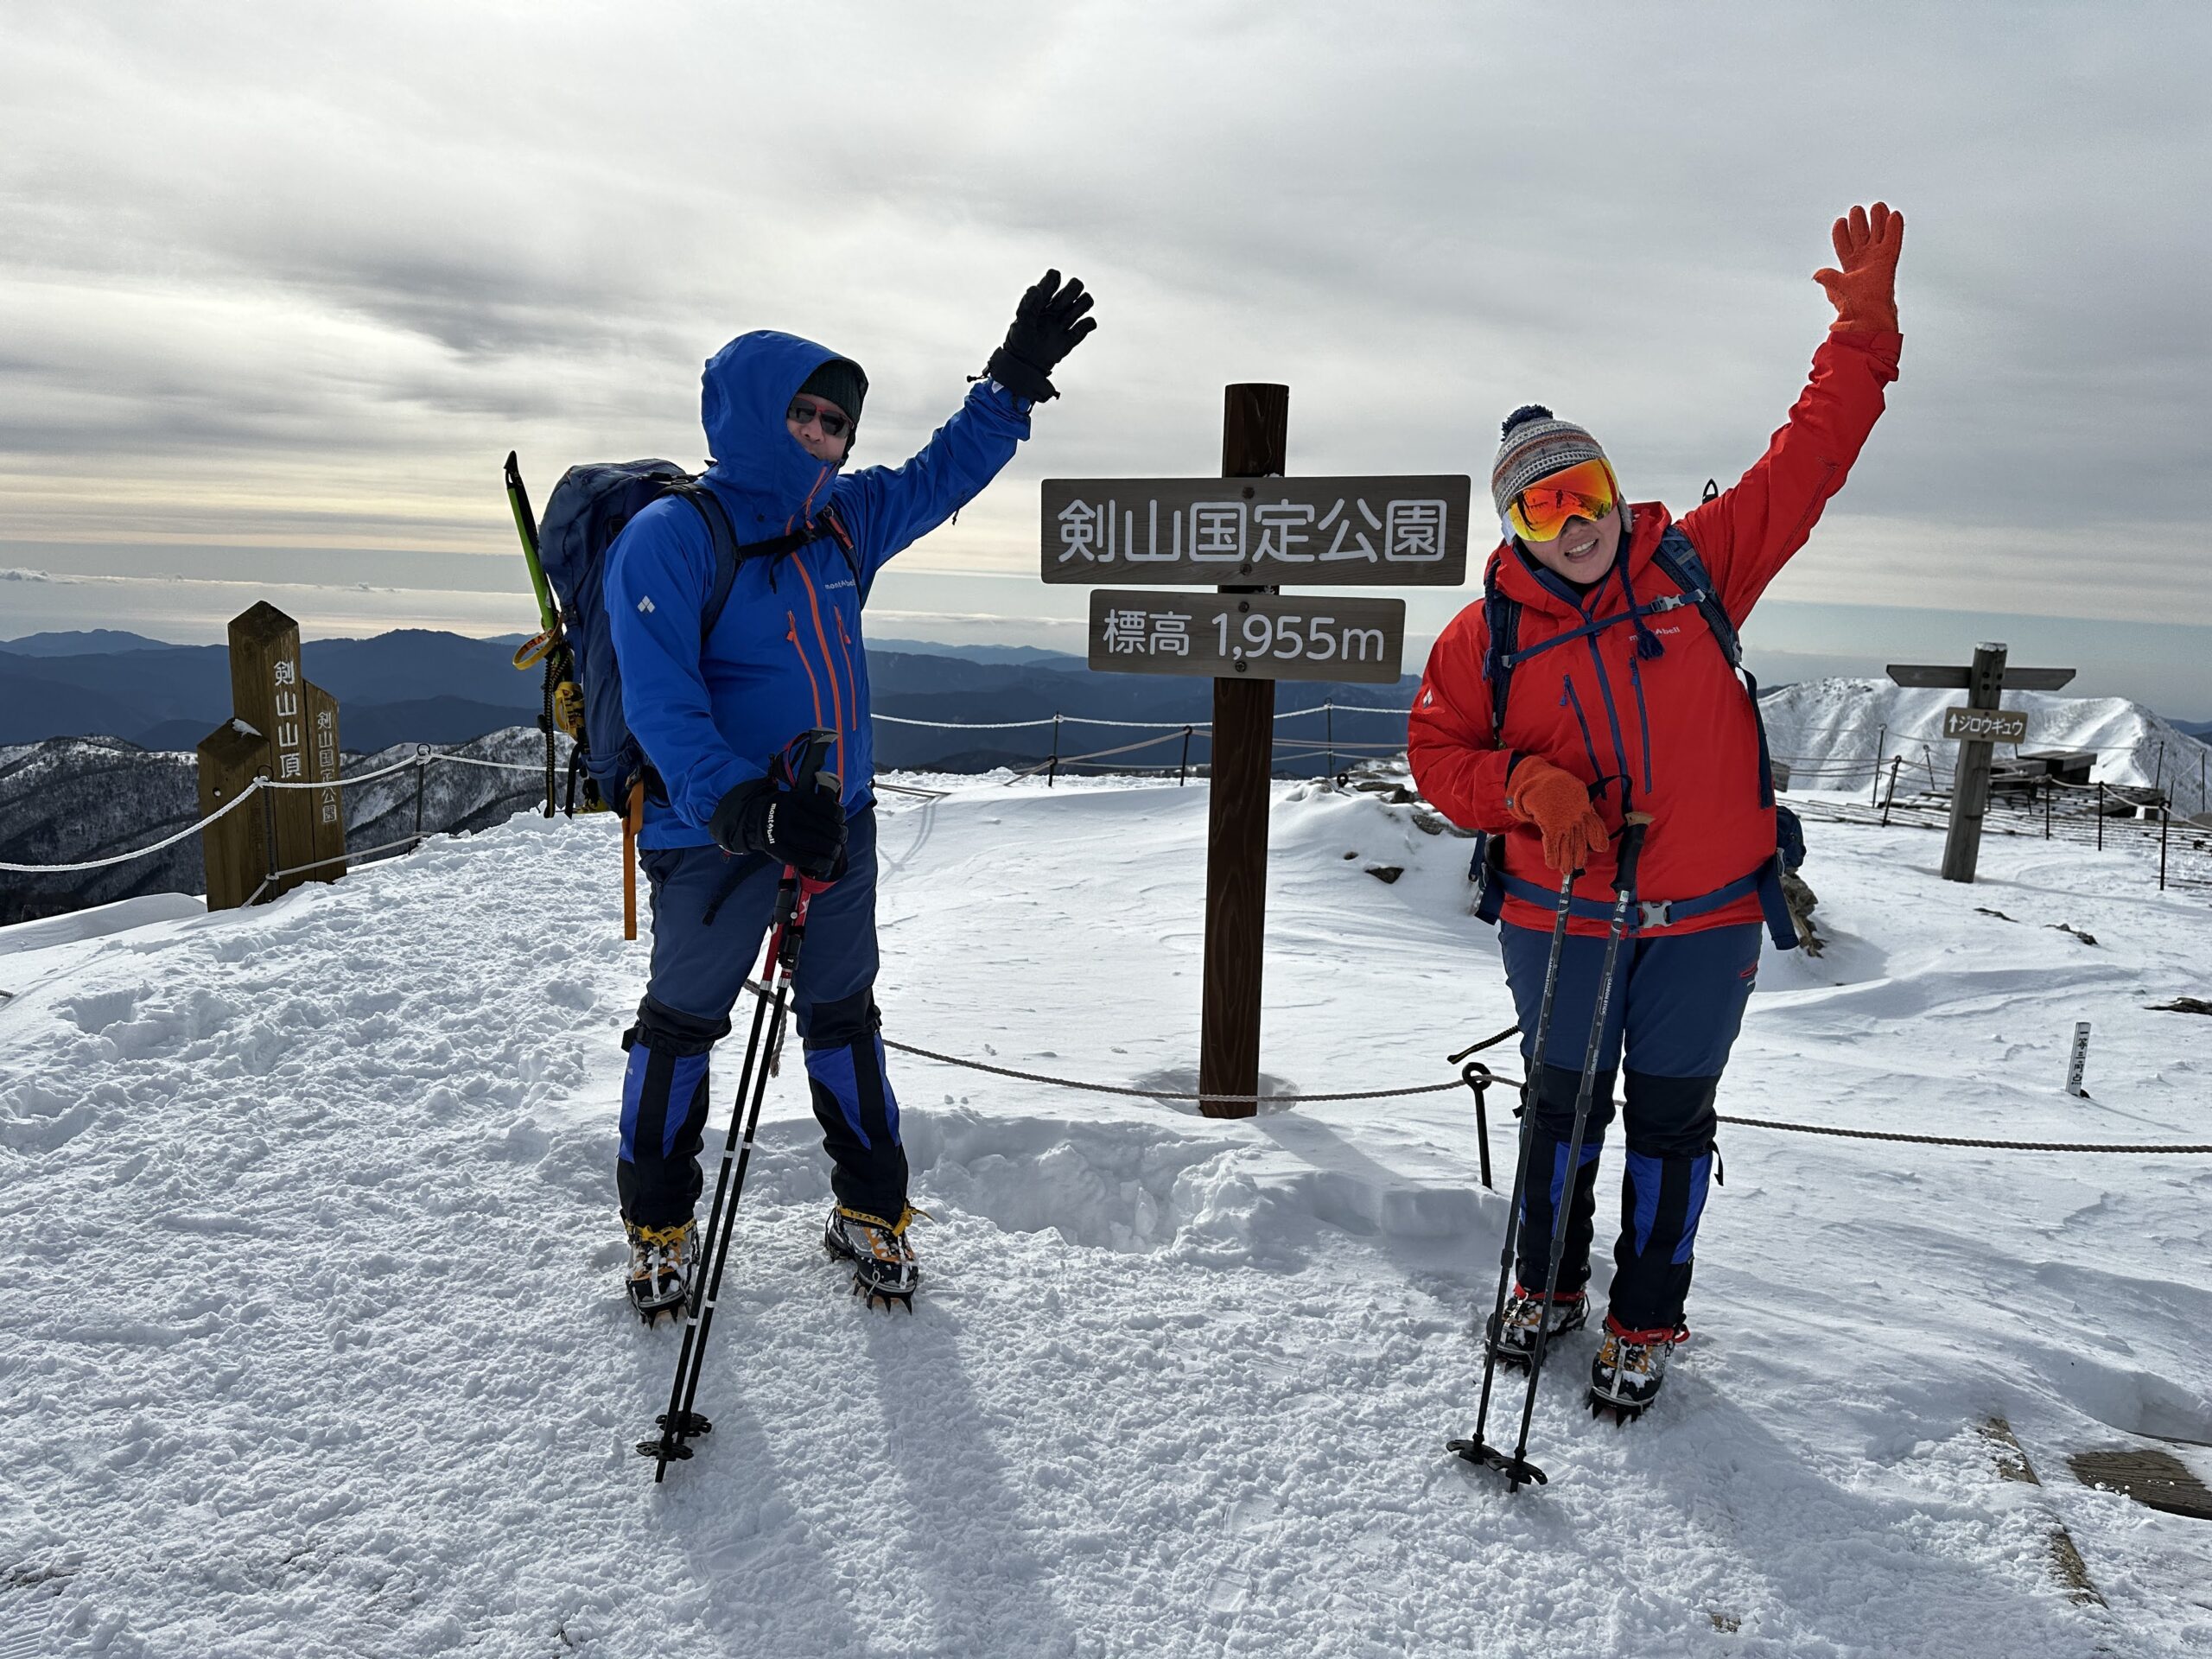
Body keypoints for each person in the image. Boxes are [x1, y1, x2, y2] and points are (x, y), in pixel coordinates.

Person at [1408, 205, 1904, 1413]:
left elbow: (1812, 457)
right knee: (1562, 1110)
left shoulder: (1697, 563)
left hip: (1705, 920)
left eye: (1582, 492)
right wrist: (1524, 787)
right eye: (1538, 508)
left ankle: (1648, 1314)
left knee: (1675, 1121)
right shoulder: (1490, 635)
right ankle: (1543, 1286)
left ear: (1612, 487)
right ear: (1512, 524)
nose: (1571, 524)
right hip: (1559, 914)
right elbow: (1437, 757)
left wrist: (1864, 333)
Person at [604, 270, 1097, 1318]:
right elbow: (662, 703)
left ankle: (871, 1206)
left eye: (838, 419)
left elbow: (938, 474)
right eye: (807, 413)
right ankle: (656, 1225)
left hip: (838, 827)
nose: (826, 432)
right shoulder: (675, 536)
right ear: (754, 417)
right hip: (717, 836)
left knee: (843, 1015)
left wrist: (1007, 383)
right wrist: (745, 805)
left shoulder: (842, 524)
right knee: (681, 1025)